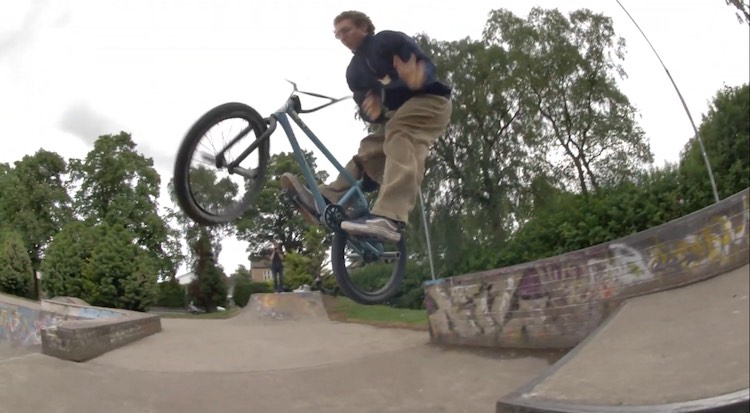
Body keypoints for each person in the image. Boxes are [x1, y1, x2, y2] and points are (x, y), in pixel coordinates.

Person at [280, 10, 452, 242]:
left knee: (400, 133)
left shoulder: (388, 41)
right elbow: (365, 107)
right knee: (368, 151)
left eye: (346, 30)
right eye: (338, 35)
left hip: (431, 102)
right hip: (396, 115)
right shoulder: (354, 72)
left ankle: (391, 217)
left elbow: (426, 66)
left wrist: (419, 76)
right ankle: (328, 197)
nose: (342, 38)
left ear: (363, 27)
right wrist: (370, 111)